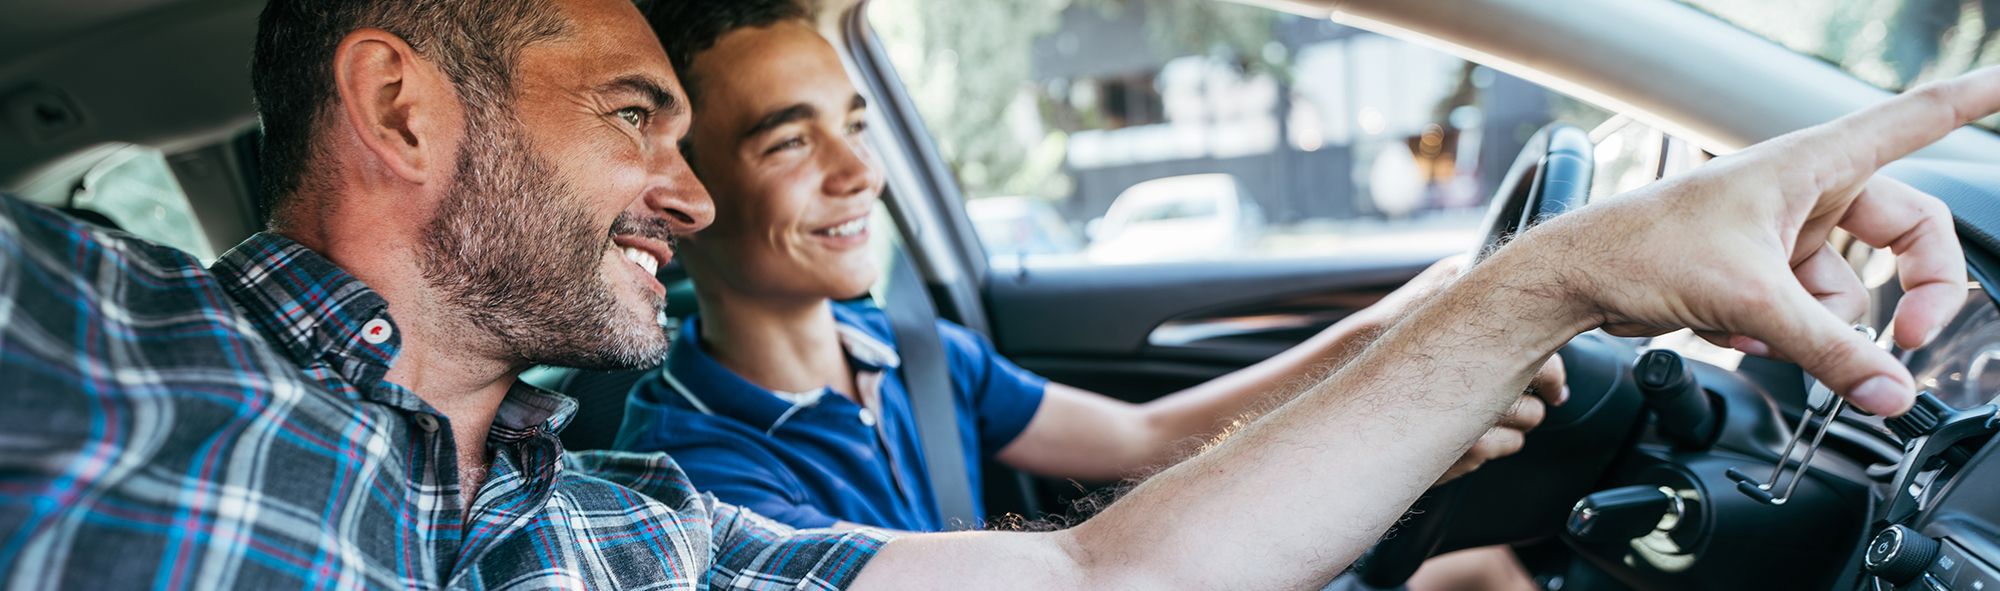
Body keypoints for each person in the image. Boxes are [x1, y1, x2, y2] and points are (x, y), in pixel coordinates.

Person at [0, 0, 1978, 588]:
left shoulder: (583, 530)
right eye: (639, 118)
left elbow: (1108, 556)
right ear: (402, 104)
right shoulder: (76, 335)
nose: (683, 189)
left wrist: (1532, 281)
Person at [611, 3, 1546, 587]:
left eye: (855, 126)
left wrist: (1382, 338)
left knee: (1477, 568)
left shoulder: (913, 351)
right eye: (788, 142)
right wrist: (1386, 409)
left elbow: (1142, 437)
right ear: (688, 197)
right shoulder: (693, 472)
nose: (859, 171)